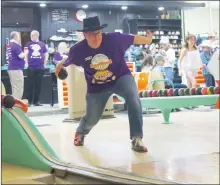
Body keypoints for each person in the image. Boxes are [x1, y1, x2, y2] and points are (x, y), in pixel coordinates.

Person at [55, 16, 153, 153]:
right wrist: (59, 69)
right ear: (84, 35)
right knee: (92, 118)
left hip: (120, 77)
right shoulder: (78, 50)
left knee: (133, 96)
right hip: (96, 86)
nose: (95, 38)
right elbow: (64, 64)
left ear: (101, 32)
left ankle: (136, 138)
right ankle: (81, 131)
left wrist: (148, 40)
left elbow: (133, 38)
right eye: (91, 35)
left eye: (98, 33)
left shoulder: (114, 39)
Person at [25, 30, 48, 106]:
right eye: (31, 35)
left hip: (40, 67)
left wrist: (44, 63)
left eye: (32, 35)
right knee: (30, 85)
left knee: (38, 84)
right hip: (31, 67)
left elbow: (46, 54)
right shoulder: (28, 44)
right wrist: (26, 63)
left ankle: (36, 101)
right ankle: (29, 101)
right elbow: (26, 54)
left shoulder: (42, 44)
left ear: (36, 36)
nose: (31, 37)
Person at [7, 31, 25, 99]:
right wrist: (26, 53)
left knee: (14, 88)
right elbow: (21, 56)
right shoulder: (15, 45)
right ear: (16, 37)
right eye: (18, 36)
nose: (19, 38)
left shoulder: (9, 45)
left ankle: (13, 103)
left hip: (11, 68)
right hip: (16, 69)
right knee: (19, 88)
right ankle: (16, 105)